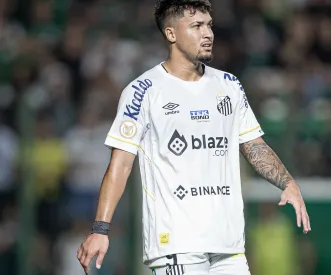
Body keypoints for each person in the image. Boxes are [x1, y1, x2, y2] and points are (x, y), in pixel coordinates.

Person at [76, 1, 311, 274]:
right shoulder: (144, 91)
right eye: (197, 26)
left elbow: (253, 145)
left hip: (229, 246)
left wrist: (288, 182)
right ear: (171, 34)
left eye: (209, 25)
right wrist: (100, 229)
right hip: (177, 245)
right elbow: (121, 164)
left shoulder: (229, 86)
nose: (208, 33)